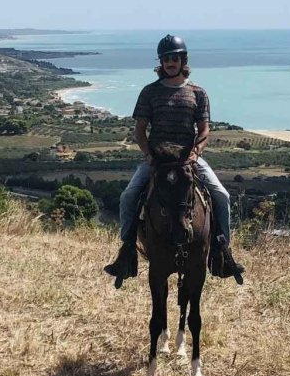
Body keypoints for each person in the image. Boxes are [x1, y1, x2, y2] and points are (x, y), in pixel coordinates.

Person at [103, 35, 245, 283]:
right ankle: (126, 253)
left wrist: (195, 153)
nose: (170, 62)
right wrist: (148, 155)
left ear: (182, 60)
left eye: (174, 58)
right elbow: (139, 131)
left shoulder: (197, 93)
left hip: (188, 160)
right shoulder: (150, 92)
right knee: (128, 197)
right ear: (161, 62)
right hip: (157, 160)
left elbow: (204, 130)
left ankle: (223, 253)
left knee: (221, 195)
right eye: (166, 58)